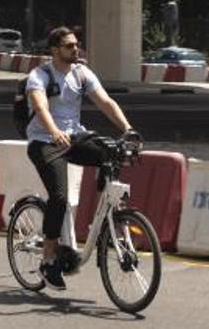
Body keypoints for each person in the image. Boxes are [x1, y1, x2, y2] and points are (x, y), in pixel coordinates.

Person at [24, 26, 138, 291]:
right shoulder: (39, 75)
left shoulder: (81, 73)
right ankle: (49, 259)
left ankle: (108, 216)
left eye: (76, 45)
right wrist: (53, 130)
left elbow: (105, 102)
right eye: (69, 46)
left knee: (112, 152)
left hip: (74, 137)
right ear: (54, 50)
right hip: (45, 142)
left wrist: (128, 130)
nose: (76, 49)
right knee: (60, 197)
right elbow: (40, 106)